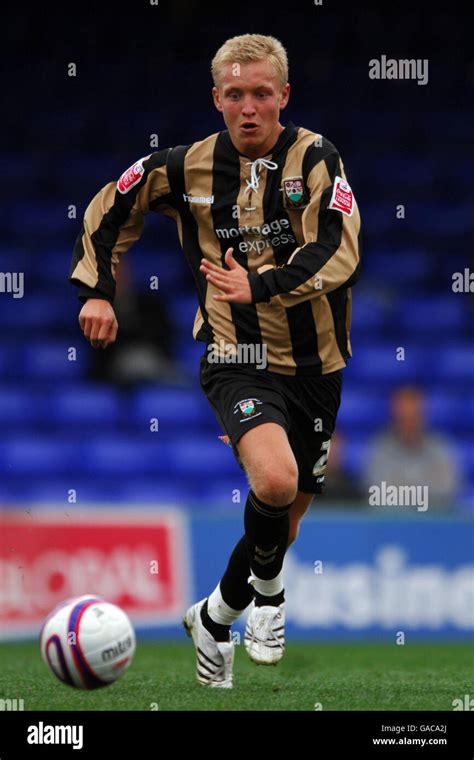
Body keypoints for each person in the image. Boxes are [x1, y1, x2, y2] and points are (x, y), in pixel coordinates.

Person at [69, 33, 362, 688]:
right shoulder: (183, 168)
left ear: (284, 96)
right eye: (235, 95)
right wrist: (98, 290)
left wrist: (258, 283)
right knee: (278, 484)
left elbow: (340, 250)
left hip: (319, 366)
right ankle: (271, 600)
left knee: (281, 520)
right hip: (238, 353)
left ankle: (214, 614)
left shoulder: (317, 158)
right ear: (216, 100)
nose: (249, 107)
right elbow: (109, 207)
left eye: (262, 93)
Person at [363, 386, 460, 510]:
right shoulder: (378, 449)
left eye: (413, 418)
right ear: (393, 418)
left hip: (434, 522)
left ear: (423, 417)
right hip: (391, 522)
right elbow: (376, 491)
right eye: (402, 419)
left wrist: (400, 486)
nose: (408, 424)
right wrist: (424, 489)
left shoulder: (441, 448)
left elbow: (448, 489)